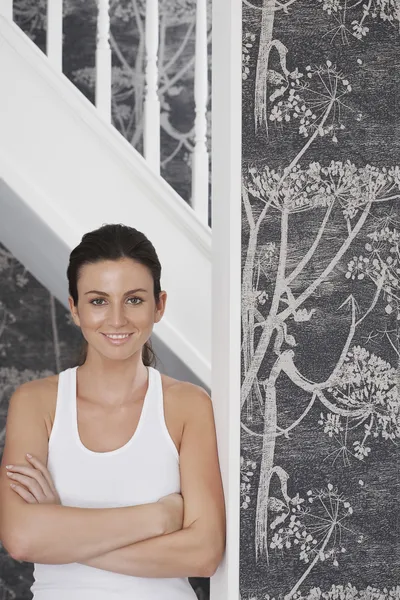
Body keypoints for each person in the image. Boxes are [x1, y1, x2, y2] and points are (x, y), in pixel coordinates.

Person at [0, 223, 226, 600]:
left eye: (134, 299)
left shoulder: (188, 405)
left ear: (160, 305)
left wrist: (62, 531)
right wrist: (158, 518)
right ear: (74, 307)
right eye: (98, 300)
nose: (117, 319)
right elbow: (22, 539)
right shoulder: (36, 403)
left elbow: (203, 555)